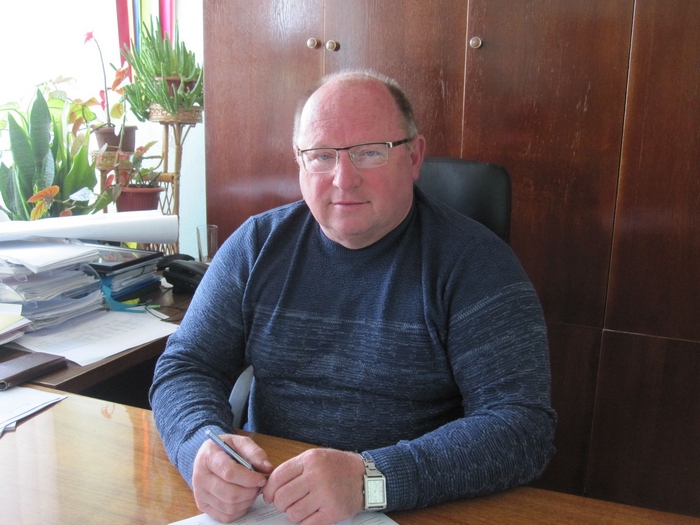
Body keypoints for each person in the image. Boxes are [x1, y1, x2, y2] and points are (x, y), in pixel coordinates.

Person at [150, 70, 556, 525]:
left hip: (414, 508)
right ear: (300, 162)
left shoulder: (476, 263)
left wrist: (371, 479)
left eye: (370, 152)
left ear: (414, 156)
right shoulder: (257, 245)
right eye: (322, 156)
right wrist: (199, 445)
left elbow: (522, 427)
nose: (344, 179)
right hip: (270, 501)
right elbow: (187, 364)